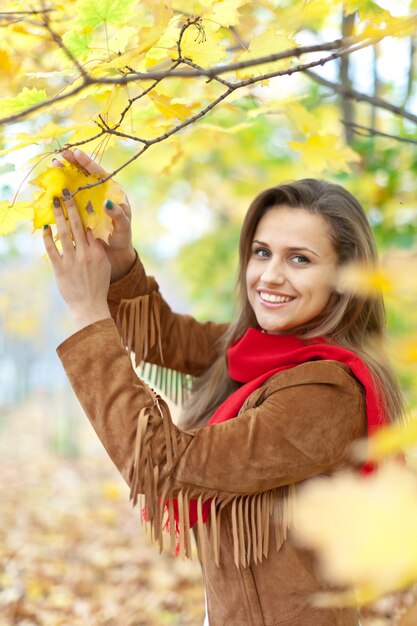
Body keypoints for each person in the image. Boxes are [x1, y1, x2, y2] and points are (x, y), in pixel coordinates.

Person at [43, 149, 403, 626]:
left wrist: (89, 313)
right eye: (262, 252)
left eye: (300, 259)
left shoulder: (325, 392)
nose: (270, 275)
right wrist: (120, 261)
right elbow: (168, 338)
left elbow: (166, 466)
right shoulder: (265, 351)